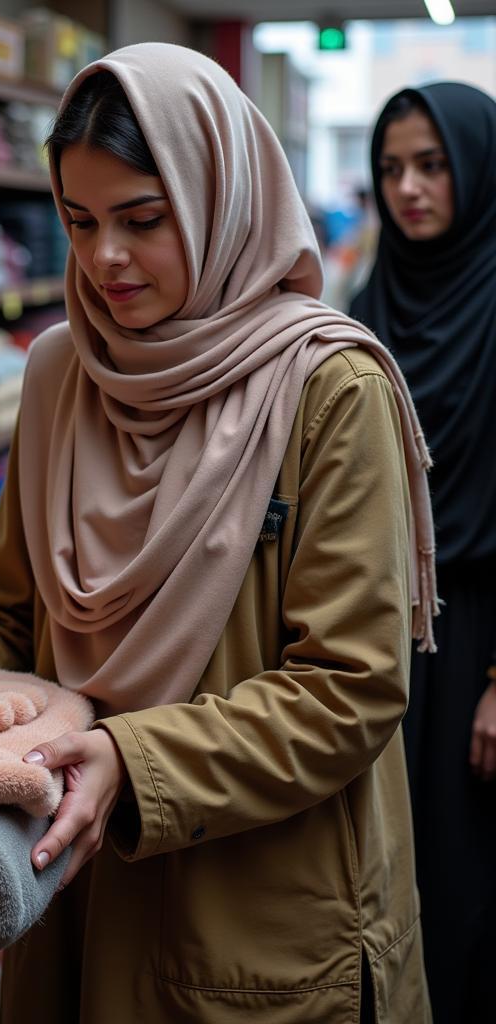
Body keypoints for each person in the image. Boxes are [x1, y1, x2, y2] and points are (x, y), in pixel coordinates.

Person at [0, 44, 437, 1022]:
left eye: (143, 220)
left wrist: (129, 761)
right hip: (79, 876)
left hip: (258, 905)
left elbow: (350, 687)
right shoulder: (64, 371)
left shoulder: (326, 388)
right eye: (79, 222)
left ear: (218, 198)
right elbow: (7, 617)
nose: (104, 259)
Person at [350, 82, 496, 1024]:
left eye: (432, 164)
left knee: (469, 872)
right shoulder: (372, 300)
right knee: (384, 869)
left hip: (482, 631)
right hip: (384, 625)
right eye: (393, 168)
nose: (410, 188)